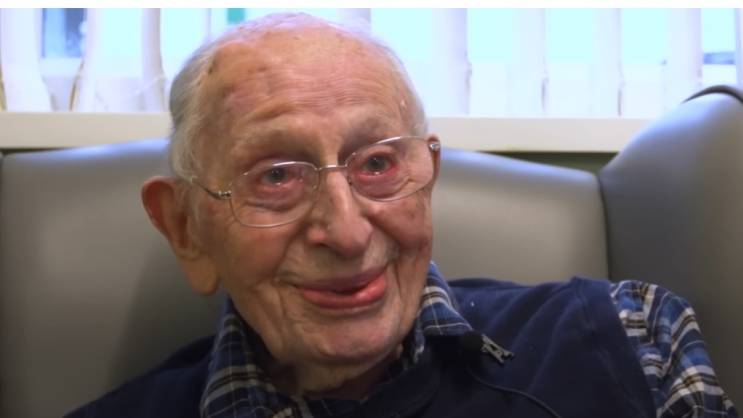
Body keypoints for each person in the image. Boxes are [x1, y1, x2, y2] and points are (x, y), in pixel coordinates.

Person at [66, 13, 737, 418]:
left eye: (378, 163)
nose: (347, 233)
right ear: (186, 229)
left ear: (426, 178)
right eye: (275, 176)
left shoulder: (630, 337)